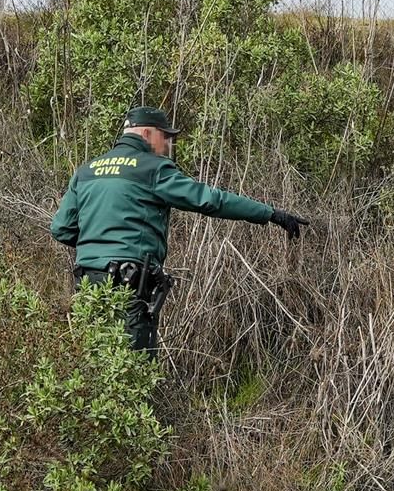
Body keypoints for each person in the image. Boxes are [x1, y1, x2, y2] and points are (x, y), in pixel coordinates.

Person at [49, 106, 309, 354]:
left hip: (88, 284)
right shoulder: (152, 168)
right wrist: (271, 214)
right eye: (166, 137)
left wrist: (98, 247)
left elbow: (61, 228)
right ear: (148, 133)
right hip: (129, 284)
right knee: (133, 365)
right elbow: (210, 200)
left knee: (95, 360)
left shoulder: (86, 171)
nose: (168, 145)